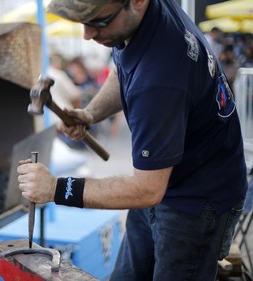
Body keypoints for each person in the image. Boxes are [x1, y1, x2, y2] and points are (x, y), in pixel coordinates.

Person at [17, 0, 248, 280]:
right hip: (166, 178)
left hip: (199, 198)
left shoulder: (161, 77)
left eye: (98, 22)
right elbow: (122, 66)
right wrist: (91, 113)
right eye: (83, 22)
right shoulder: (138, 21)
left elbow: (147, 190)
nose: (87, 35)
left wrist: (56, 188)